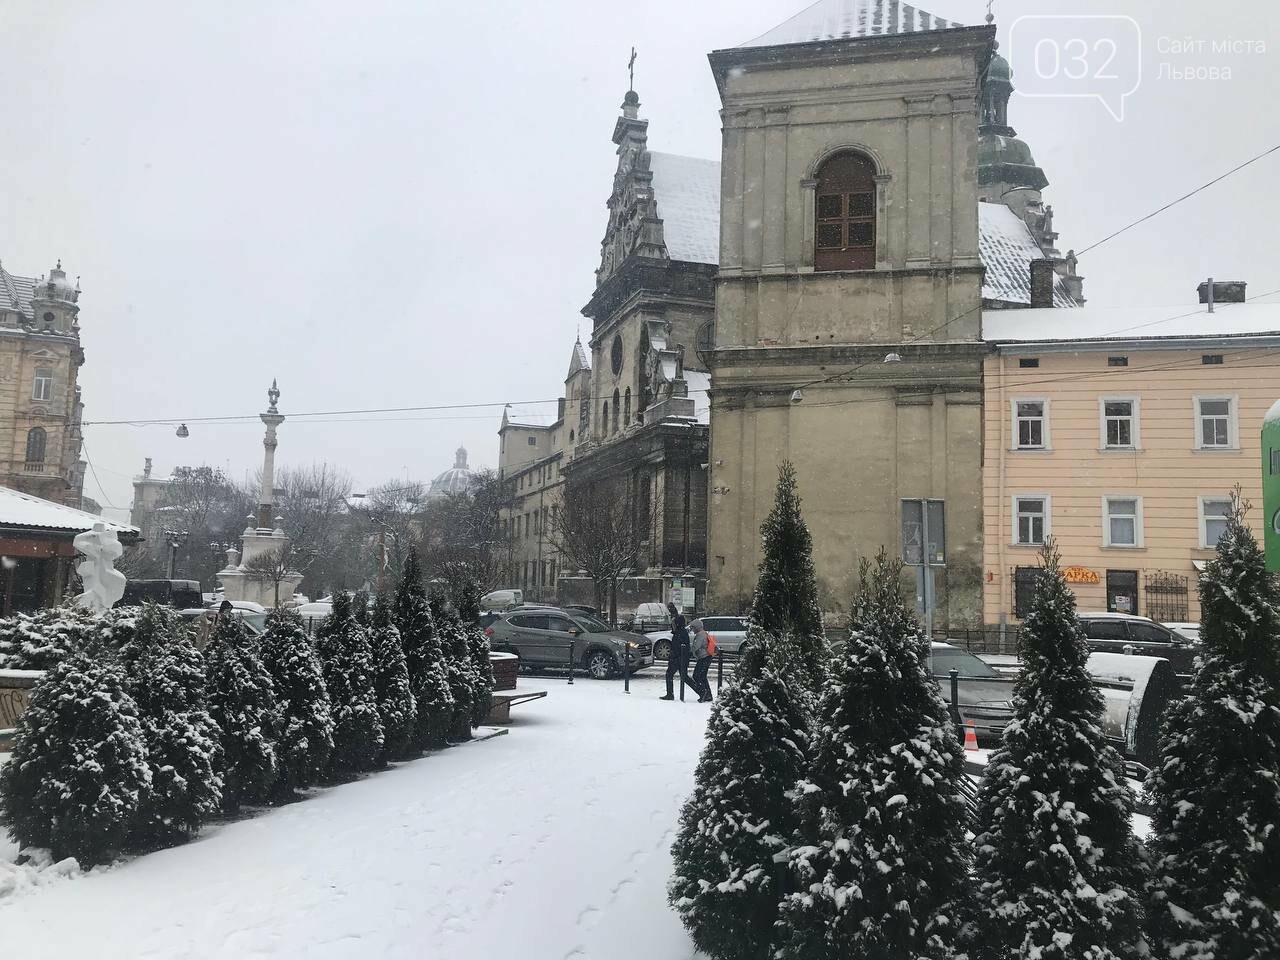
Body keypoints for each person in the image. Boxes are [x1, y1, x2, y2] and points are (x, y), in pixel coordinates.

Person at [660, 601, 694, 701]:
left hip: (678, 659)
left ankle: (670, 694)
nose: (672, 625)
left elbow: (678, 648)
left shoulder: (679, 634)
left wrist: (673, 655)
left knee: (671, 675)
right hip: (681, 658)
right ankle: (701, 691)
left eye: (674, 624)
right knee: (684, 677)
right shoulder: (681, 632)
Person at [688, 617, 714, 703]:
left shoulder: (700, 635)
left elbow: (696, 647)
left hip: (703, 657)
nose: (692, 630)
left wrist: (691, 652)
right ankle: (708, 695)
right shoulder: (704, 633)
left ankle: (704, 692)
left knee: (696, 676)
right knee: (703, 676)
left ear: (697, 627)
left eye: (693, 628)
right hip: (707, 657)